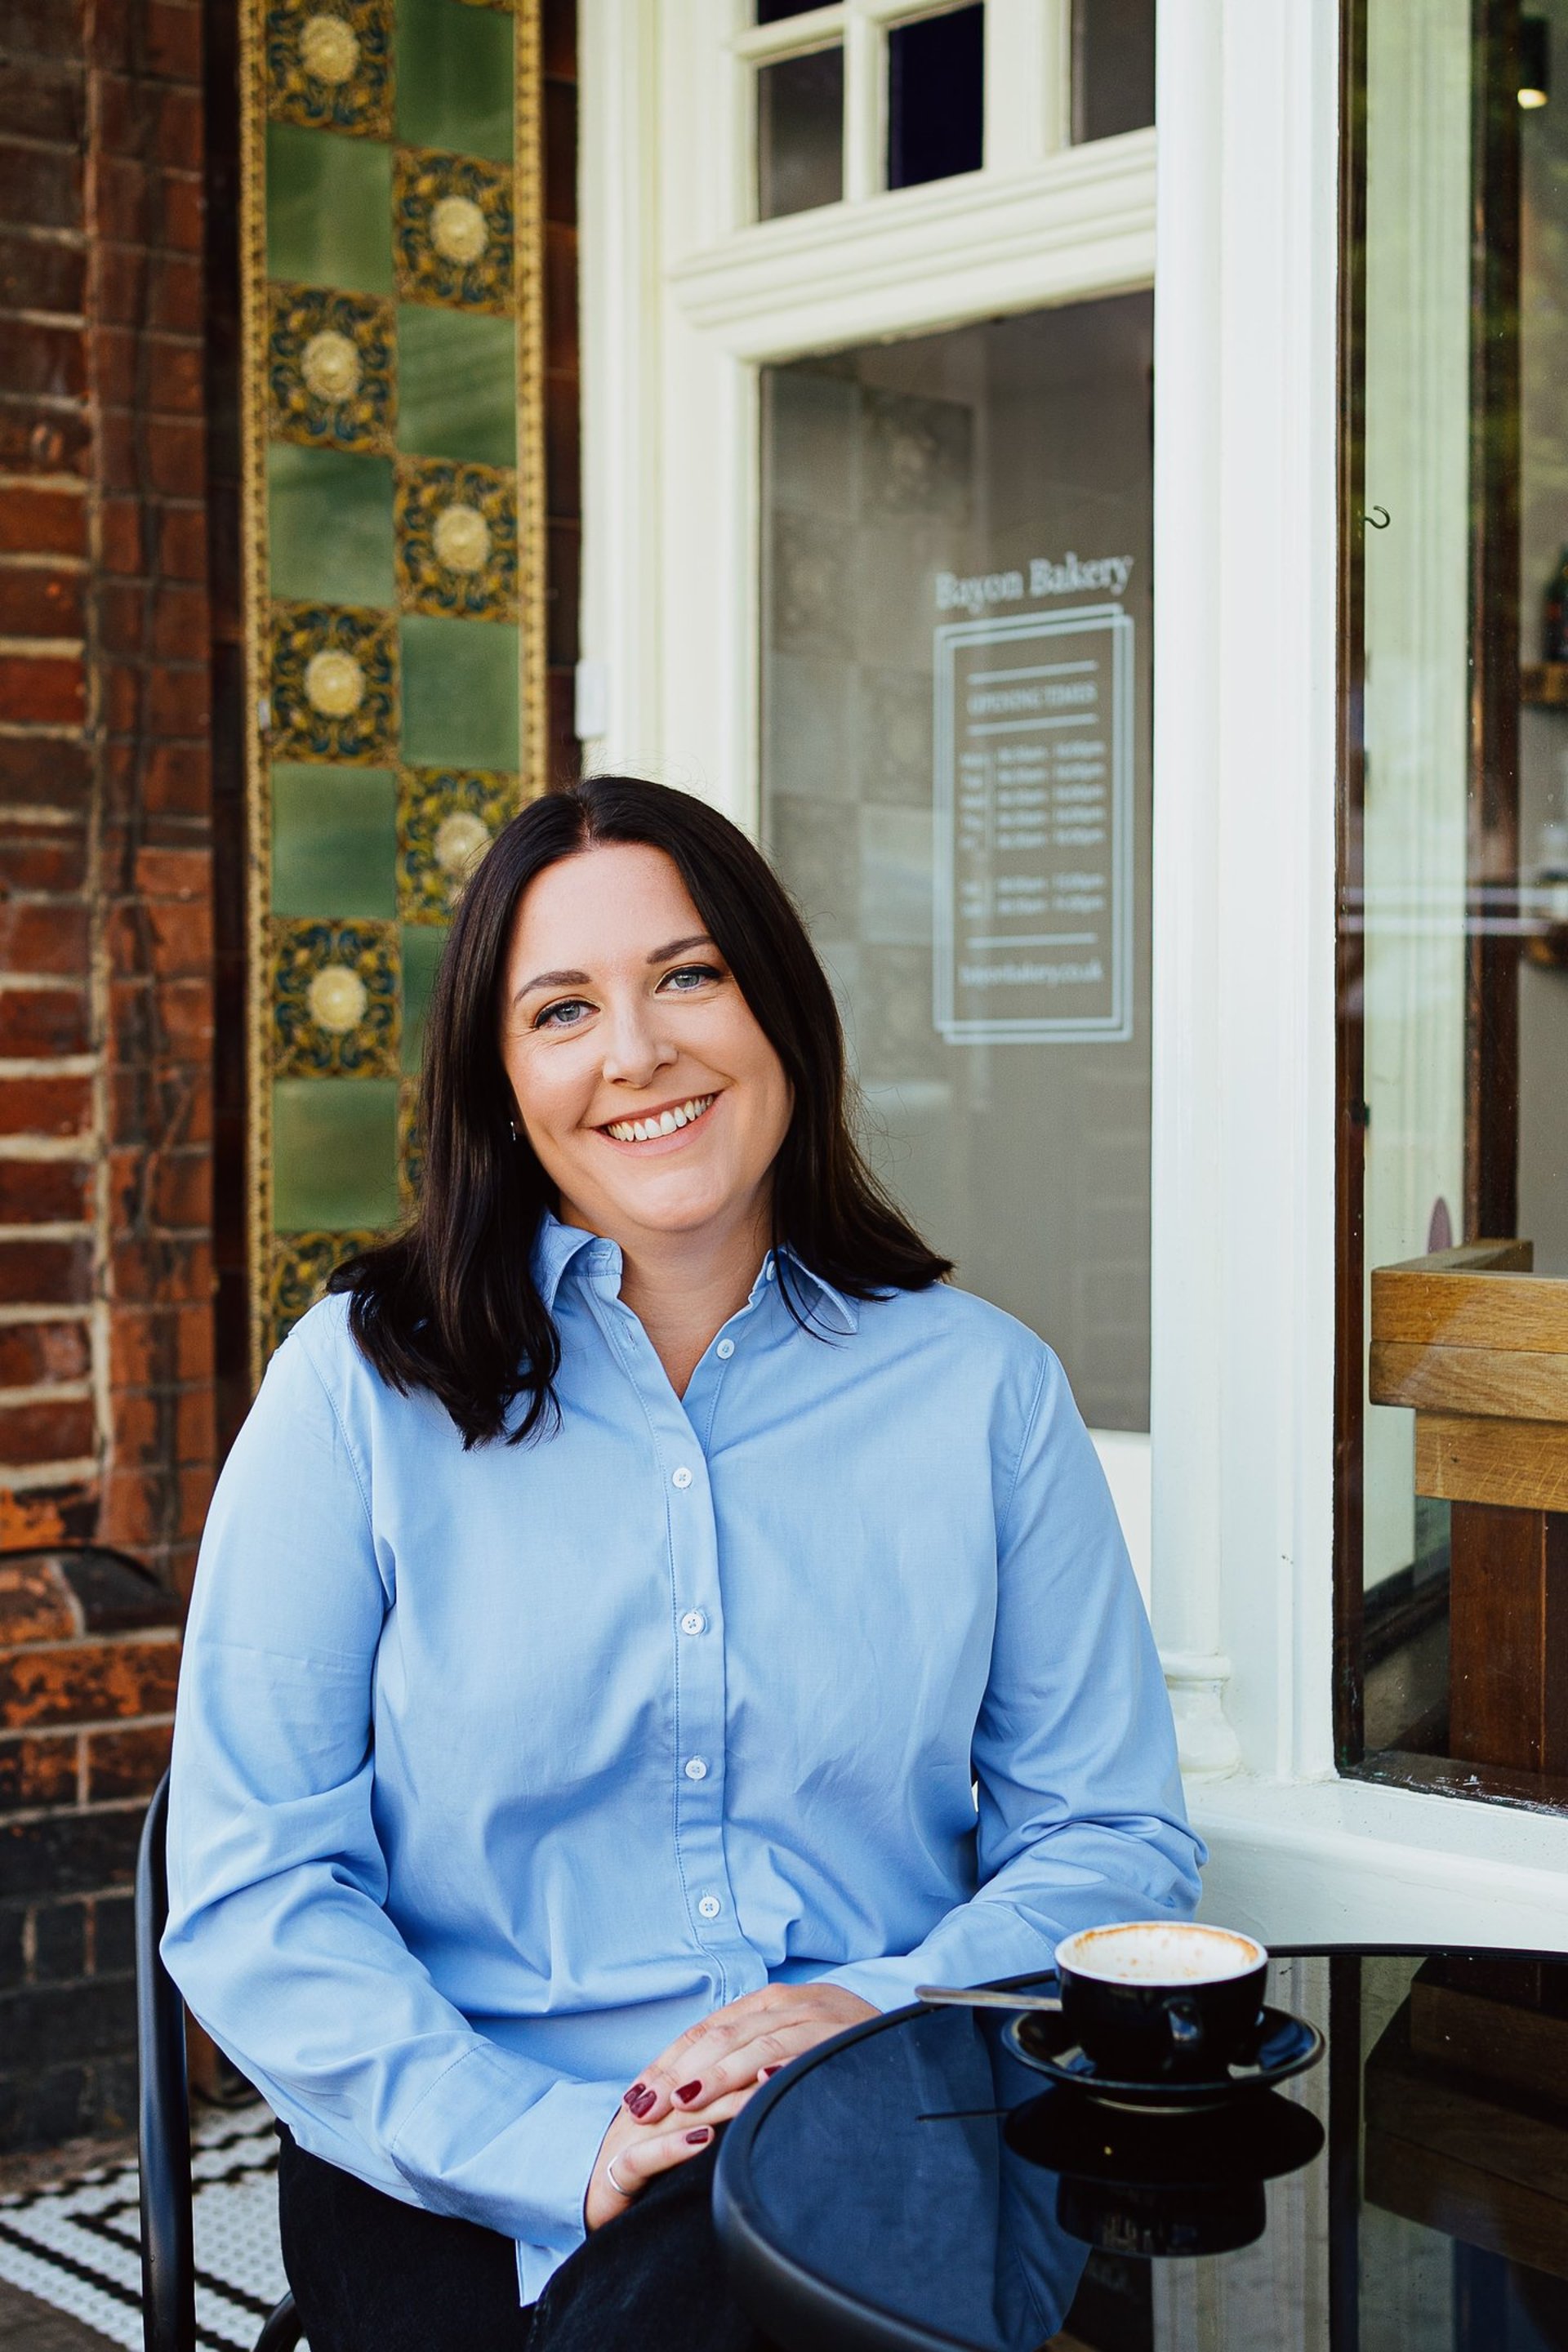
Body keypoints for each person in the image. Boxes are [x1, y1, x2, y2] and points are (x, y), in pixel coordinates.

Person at [163, 775, 1202, 2352]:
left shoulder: (986, 1393)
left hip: (875, 2122)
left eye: (687, 976)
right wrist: (554, 2143)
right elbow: (254, 1889)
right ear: (502, 1082)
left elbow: (1113, 1832)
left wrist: (880, 2004)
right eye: (562, 1009)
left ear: (778, 1008)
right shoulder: (356, 1394)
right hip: (465, 2161)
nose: (636, 1052)